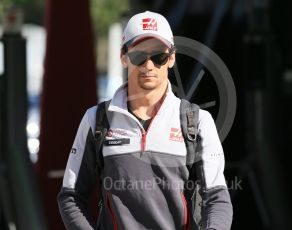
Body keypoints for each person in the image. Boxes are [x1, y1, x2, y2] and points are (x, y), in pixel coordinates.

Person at [58, 11, 233, 230]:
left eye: (158, 56)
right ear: (124, 57)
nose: (148, 65)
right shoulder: (96, 119)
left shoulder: (197, 121)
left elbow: (217, 198)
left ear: (171, 58)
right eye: (139, 56)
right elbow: (70, 197)